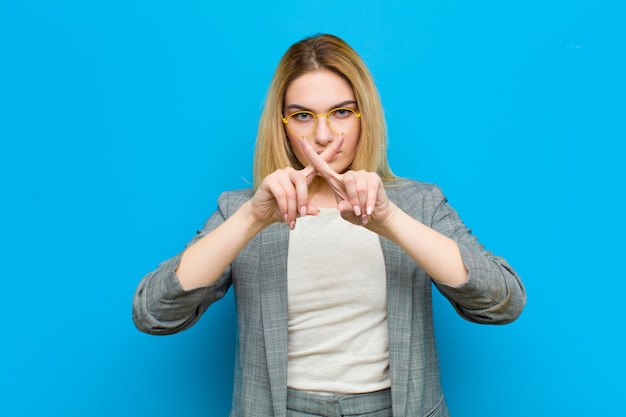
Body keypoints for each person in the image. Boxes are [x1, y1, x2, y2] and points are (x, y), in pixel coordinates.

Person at [132, 33, 526, 417]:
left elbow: (502, 302)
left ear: (364, 116)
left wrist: (390, 220)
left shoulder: (418, 203)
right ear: (283, 124)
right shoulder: (242, 209)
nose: (322, 136)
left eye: (341, 113)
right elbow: (154, 313)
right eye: (303, 116)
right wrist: (251, 219)